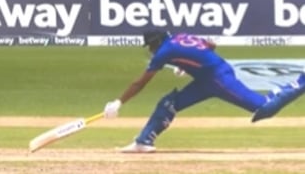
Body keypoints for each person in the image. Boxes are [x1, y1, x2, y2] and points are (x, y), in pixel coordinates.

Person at [103, 30, 305, 153]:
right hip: (205, 78)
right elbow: (210, 44)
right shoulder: (180, 37)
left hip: (218, 78)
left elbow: (140, 83)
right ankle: (143, 142)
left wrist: (118, 102)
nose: (151, 50)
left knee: (264, 107)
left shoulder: (164, 51)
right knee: (169, 103)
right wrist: (189, 63)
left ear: (156, 42)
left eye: (151, 46)